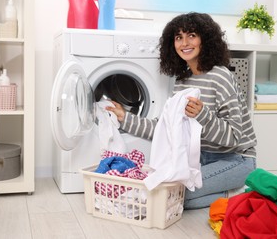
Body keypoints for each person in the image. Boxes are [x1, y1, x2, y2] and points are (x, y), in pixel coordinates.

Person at [106, 12, 257, 209]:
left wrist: (203, 115)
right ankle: (228, 193)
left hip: (237, 159)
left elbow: (234, 138)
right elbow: (165, 128)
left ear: (206, 39)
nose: (184, 42)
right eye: (178, 37)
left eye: (192, 35)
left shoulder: (221, 76)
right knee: (167, 194)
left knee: (176, 199)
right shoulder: (182, 81)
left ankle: (237, 193)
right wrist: (124, 118)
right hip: (201, 159)